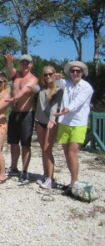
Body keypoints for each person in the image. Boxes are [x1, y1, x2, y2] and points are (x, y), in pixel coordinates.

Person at [53, 61, 93, 189]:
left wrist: (67, 109)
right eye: (72, 71)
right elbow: (57, 82)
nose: (75, 73)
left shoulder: (86, 87)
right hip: (65, 122)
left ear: (82, 73)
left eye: (78, 71)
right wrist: (56, 77)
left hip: (78, 123)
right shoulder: (68, 84)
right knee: (66, 153)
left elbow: (78, 101)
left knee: (72, 153)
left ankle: (74, 183)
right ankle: (72, 182)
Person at [4, 54, 38, 183]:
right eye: (23, 62)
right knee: (13, 143)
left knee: (25, 144)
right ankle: (13, 167)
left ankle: (24, 171)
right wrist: (9, 61)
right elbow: (10, 69)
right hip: (14, 113)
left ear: (31, 64)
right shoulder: (16, 76)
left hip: (26, 114)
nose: (25, 64)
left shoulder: (33, 79)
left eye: (27, 63)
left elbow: (25, 89)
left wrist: (15, 98)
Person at [30, 66, 63, 189]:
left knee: (47, 149)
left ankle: (51, 179)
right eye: (45, 74)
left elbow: (55, 106)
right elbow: (33, 89)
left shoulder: (59, 89)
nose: (48, 76)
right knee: (43, 150)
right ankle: (45, 174)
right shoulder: (41, 89)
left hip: (51, 122)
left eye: (50, 74)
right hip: (39, 121)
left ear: (54, 74)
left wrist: (52, 120)